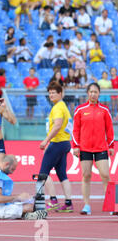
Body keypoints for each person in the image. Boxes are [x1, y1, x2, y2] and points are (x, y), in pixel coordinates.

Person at [72, 83, 115, 215]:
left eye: (95, 92)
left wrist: (111, 145)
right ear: (87, 93)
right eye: (91, 92)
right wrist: (75, 146)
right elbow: (76, 129)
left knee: (105, 175)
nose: (93, 94)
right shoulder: (80, 109)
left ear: (99, 94)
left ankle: (111, 205)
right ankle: (86, 205)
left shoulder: (104, 110)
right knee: (86, 176)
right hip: (84, 148)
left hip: (101, 148)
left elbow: (109, 129)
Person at [0, 155, 47, 220]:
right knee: (29, 207)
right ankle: (25, 214)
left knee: (25, 203)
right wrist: (18, 196)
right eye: (12, 169)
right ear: (6, 164)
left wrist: (18, 198)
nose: (12, 172)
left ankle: (24, 214)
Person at [38, 81, 74, 212]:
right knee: (62, 174)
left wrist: (46, 141)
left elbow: (58, 125)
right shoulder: (63, 106)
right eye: (50, 93)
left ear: (60, 93)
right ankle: (68, 203)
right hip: (65, 143)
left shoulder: (58, 107)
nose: (51, 95)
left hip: (58, 142)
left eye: (54, 93)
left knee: (43, 173)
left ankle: (53, 201)